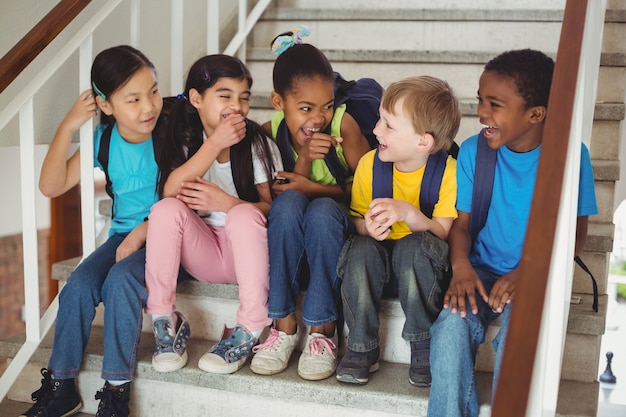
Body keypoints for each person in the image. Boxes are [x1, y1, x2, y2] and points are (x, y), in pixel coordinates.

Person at [427, 49, 598, 417]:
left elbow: (577, 236)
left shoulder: (570, 157)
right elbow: (462, 225)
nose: (482, 112)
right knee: (450, 329)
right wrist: (461, 267)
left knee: (519, 338)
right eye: (480, 100)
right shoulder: (475, 152)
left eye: (495, 104)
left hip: (538, 271)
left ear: (536, 114)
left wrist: (528, 272)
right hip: (482, 268)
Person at [21, 45, 164, 417]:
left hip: (168, 235)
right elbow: (51, 186)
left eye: (153, 91)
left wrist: (147, 230)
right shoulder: (103, 139)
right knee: (79, 285)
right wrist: (68, 124)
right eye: (133, 99)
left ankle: (116, 390)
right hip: (121, 236)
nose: (148, 106)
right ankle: (62, 385)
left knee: (119, 282)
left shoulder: (171, 132)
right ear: (106, 105)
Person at [144, 54, 282, 375]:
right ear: (196, 99)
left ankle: (248, 327)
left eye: (243, 98)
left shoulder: (258, 144)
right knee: (165, 209)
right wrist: (215, 143)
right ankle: (166, 320)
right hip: (203, 253)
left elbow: (273, 209)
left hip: (244, 255)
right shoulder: (185, 140)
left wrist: (227, 203)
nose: (236, 106)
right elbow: (170, 191)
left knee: (243, 216)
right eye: (225, 96)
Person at [249, 26, 372, 381]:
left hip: (335, 232)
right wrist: (302, 160)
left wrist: (314, 188)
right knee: (287, 206)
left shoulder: (343, 125)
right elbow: (278, 195)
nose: (318, 118)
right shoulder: (268, 133)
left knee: (319, 211)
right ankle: (283, 324)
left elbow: (368, 188)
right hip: (292, 239)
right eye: (305, 108)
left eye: (327, 105)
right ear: (278, 103)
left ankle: (323, 329)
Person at [334, 76, 460, 387]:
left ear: (423, 142)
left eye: (388, 125)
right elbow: (357, 219)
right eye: (380, 119)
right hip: (378, 267)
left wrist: (408, 213)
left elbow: (442, 232)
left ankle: (422, 343)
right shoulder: (368, 165)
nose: (376, 130)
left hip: (421, 272)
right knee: (360, 249)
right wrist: (368, 228)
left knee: (414, 247)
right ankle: (362, 346)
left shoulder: (448, 172)